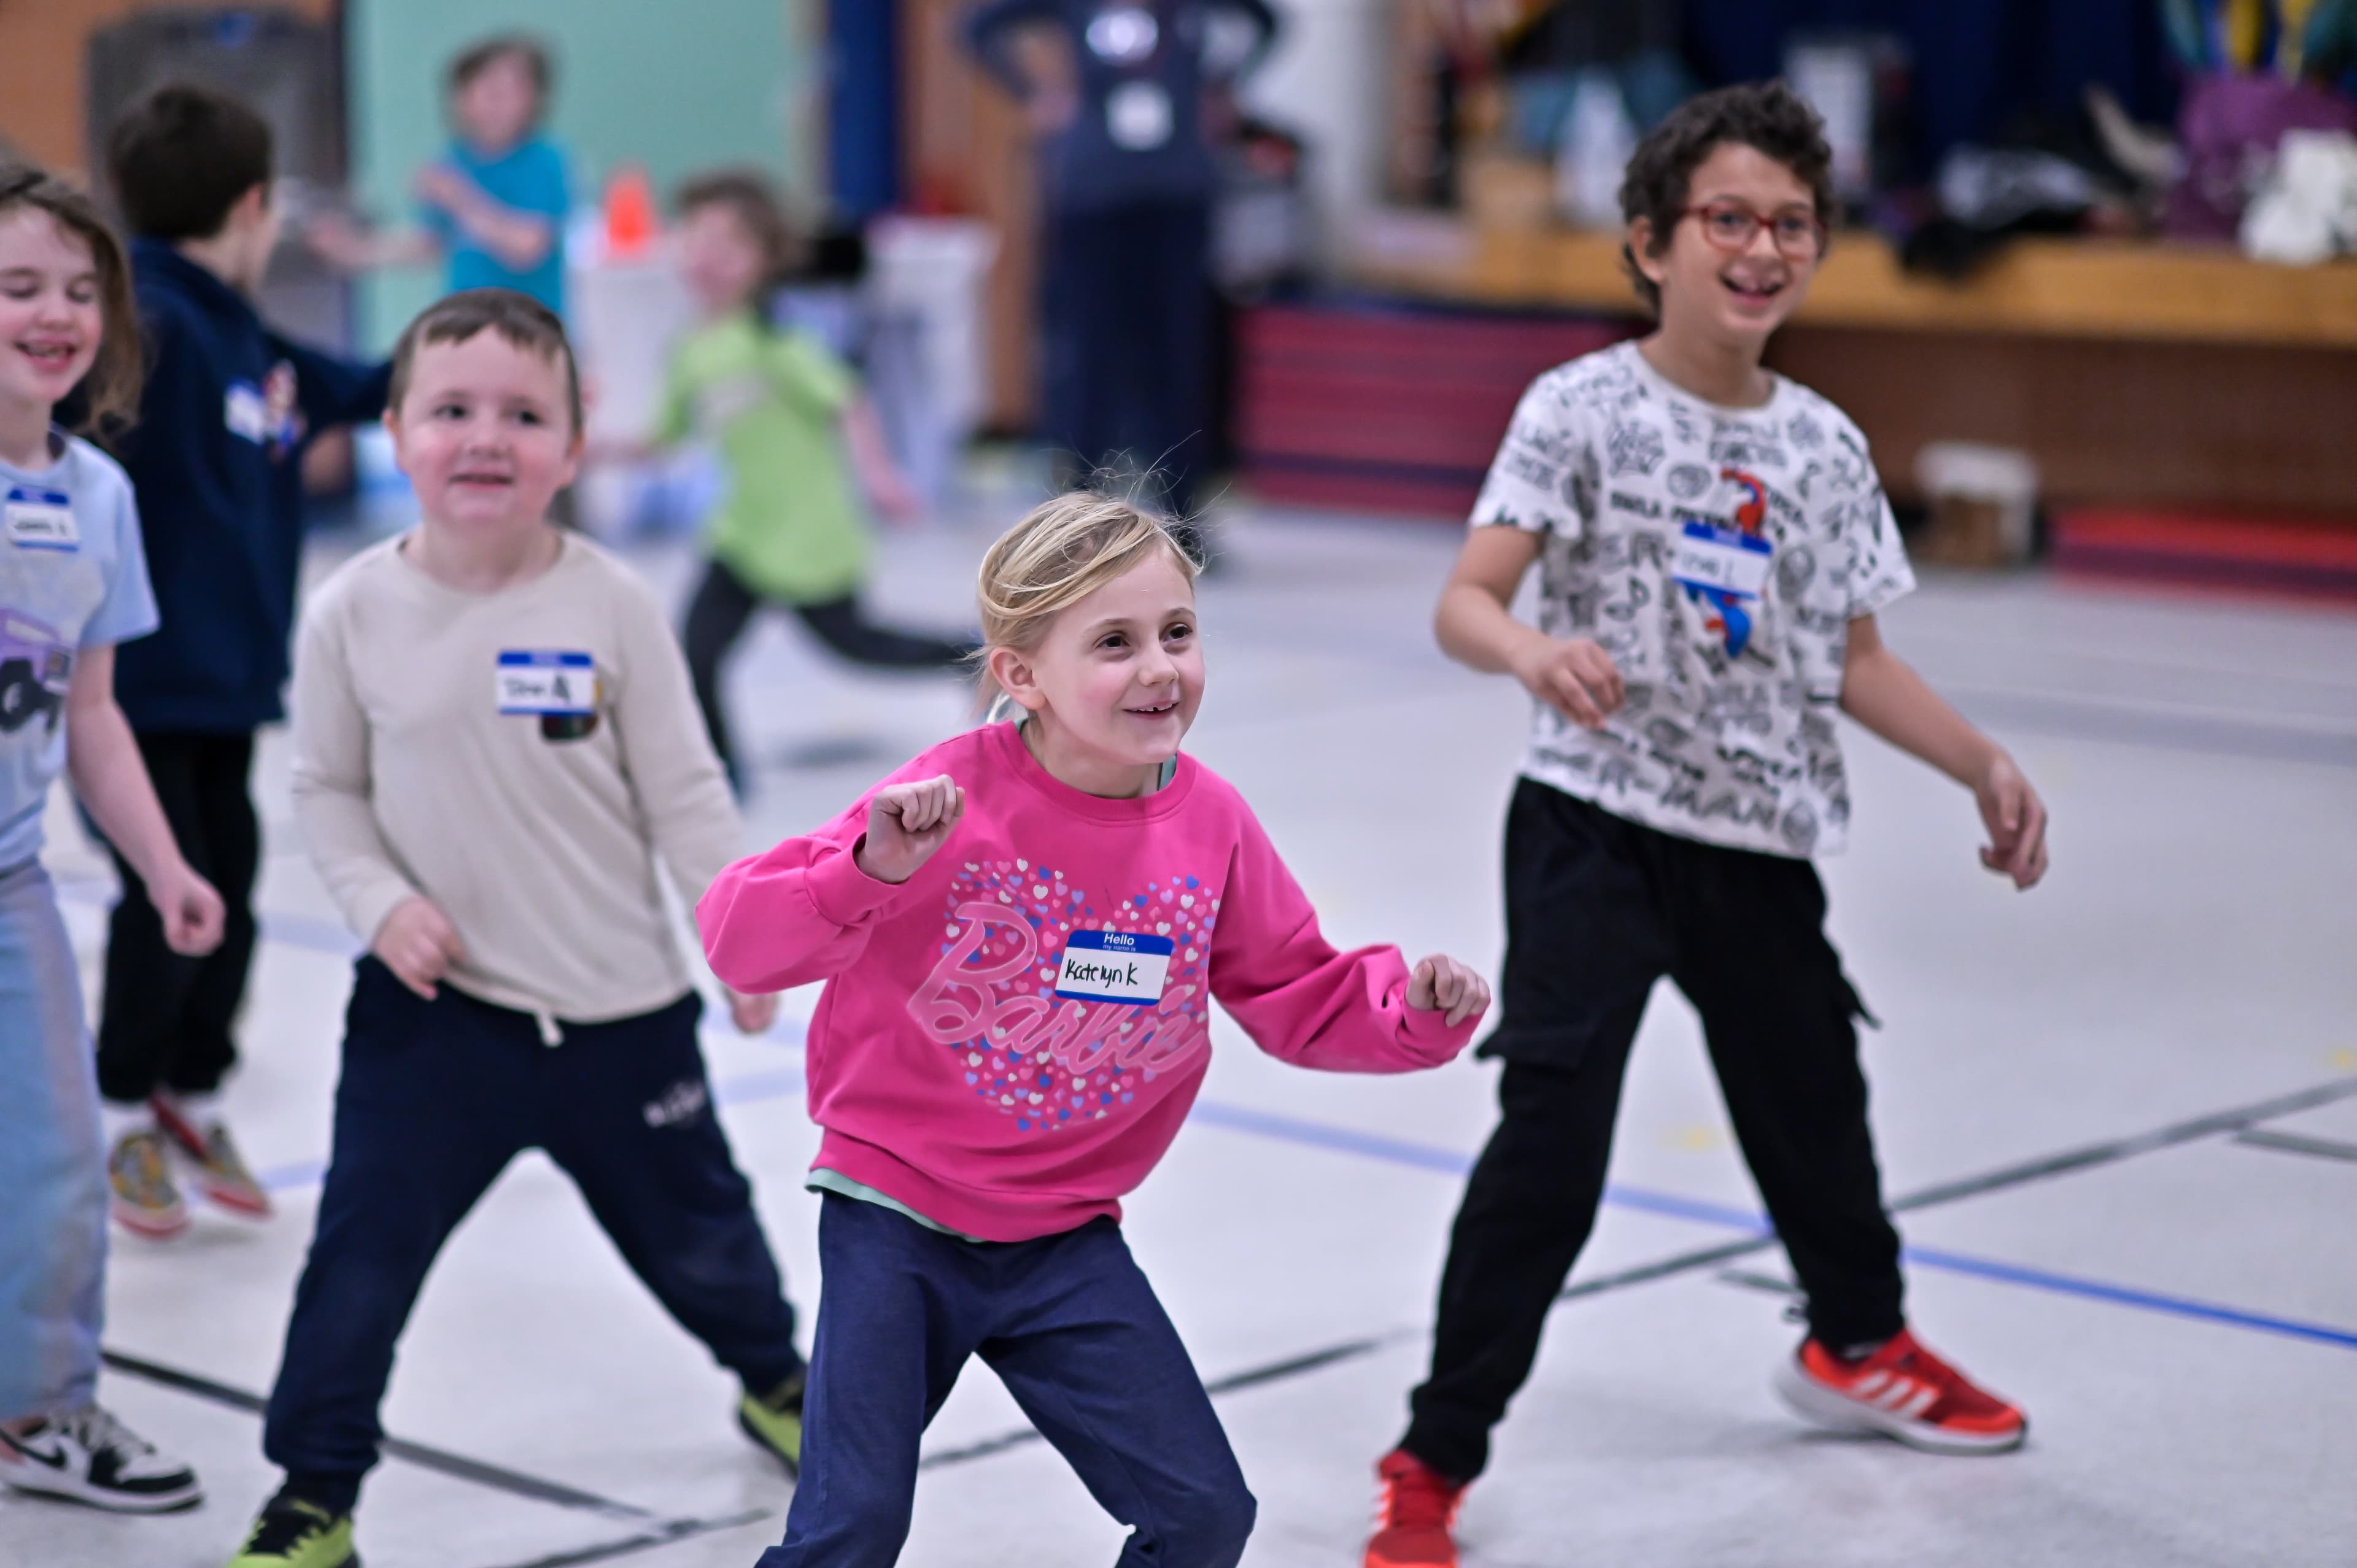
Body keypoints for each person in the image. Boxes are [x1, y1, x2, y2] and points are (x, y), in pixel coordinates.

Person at [1360, 82, 2054, 1568]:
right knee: (1548, 1136)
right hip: (1590, 826)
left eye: (1787, 224)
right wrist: (1533, 653)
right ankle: (1431, 1459)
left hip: (1758, 845)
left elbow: (1853, 662)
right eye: (1725, 219)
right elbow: (1464, 599)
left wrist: (1976, 763)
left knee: (1817, 1118)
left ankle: (1853, 1347)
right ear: (1650, 244)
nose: (1758, 248)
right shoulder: (1579, 409)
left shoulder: (1822, 448)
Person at [698, 490, 1494, 1567]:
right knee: (852, 1526)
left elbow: (1298, 990)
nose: (1160, 667)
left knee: (1204, 1516)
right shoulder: (942, 798)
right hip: (897, 1221)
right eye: (1114, 643)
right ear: (1021, 675)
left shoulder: (1209, 823)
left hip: (1065, 1240)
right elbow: (743, 942)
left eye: (1178, 632)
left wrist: (1413, 1016)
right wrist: (867, 870)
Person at [223, 290, 806, 1568]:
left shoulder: (614, 604)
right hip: (432, 1025)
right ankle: (315, 1491)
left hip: (620, 1013)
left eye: (524, 413)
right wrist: (384, 907)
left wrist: (743, 933)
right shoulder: (352, 611)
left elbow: (688, 792)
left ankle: (777, 1378)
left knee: (705, 1237)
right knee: (359, 1265)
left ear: (575, 445)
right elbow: (327, 790)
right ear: (394, 429)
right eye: (451, 409)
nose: (486, 435)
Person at [96, 84, 390, 1242]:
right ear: (257, 204)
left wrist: (482, 368)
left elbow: (355, 388)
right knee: (160, 900)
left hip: (225, 687)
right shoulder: (145, 325)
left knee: (233, 892)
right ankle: (122, 1106)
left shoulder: (237, 332)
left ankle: (190, 1093)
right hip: (127, 694)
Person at [0, 163, 225, 1513]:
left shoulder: (98, 496)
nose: (56, 312)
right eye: (19, 285)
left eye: (82, 289)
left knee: (61, 1160)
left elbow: (92, 712)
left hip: (14, 880)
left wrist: (163, 864)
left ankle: (41, 1407)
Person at [655, 171, 971, 792]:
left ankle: (971, 654)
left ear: (765, 262)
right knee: (696, 653)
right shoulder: (690, 349)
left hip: (807, 533)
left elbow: (847, 400)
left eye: (730, 246)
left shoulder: (777, 342)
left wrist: (880, 475)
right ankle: (722, 784)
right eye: (698, 240)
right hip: (744, 532)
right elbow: (661, 435)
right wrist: (575, 440)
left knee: (855, 645)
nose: (709, 259)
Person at [964, 1, 1280, 557]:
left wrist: (1222, 86)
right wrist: (1033, 92)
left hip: (1177, 197)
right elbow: (978, 26)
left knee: (1178, 360)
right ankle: (1077, 522)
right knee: (1088, 356)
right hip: (1093, 198)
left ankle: (1185, 518)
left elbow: (1266, 21)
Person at [306, 35, 571, 315]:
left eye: (508, 92)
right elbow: (431, 243)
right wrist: (354, 251)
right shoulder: (454, 160)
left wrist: (460, 198)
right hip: (465, 320)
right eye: (483, 89)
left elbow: (528, 246)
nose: (494, 103)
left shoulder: (546, 161)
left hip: (533, 326)